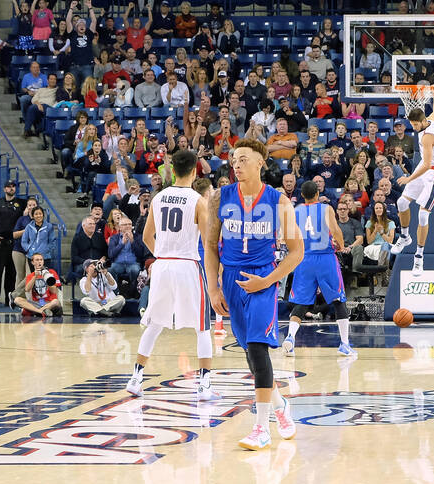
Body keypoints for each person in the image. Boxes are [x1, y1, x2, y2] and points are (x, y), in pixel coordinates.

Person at [205, 138, 303, 451]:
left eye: (243, 159)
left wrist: (268, 281)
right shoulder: (219, 197)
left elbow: (297, 251)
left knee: (259, 350)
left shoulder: (278, 201)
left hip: (263, 276)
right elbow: (209, 246)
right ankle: (279, 406)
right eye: (233, 160)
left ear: (260, 162)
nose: (236, 165)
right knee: (250, 355)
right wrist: (213, 287)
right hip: (231, 280)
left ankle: (261, 427)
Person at [127, 150, 217, 399]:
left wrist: (164, 254)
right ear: (194, 171)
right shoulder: (198, 200)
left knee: (155, 324)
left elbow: (146, 237)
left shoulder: (159, 197)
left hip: (163, 265)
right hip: (187, 264)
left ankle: (136, 377)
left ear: (173, 170)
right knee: (202, 327)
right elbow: (209, 241)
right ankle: (204, 384)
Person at [284, 180, 354, 358]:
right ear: (317, 194)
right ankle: (344, 344)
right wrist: (341, 244)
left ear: (302, 196)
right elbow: (335, 230)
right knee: (338, 299)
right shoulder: (326, 208)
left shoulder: (296, 210)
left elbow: (289, 236)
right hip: (325, 258)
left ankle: (290, 338)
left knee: (301, 302)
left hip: (304, 258)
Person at [390, 92, 434, 273]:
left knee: (423, 215)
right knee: (401, 202)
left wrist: (408, 178)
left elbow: (429, 164)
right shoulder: (431, 120)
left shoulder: (427, 137)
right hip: (425, 168)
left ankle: (419, 257)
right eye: (412, 124)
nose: (413, 127)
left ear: (422, 122)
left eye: (415, 124)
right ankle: (405, 237)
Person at [12, 251, 64, 318]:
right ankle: (41, 311)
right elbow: (27, 289)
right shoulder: (30, 276)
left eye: (41, 260)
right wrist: (35, 277)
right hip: (36, 303)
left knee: (56, 302)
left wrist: (46, 278)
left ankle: (36, 311)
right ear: (32, 262)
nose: (39, 262)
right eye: (37, 260)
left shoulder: (51, 272)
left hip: (49, 303)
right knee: (17, 300)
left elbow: (54, 291)